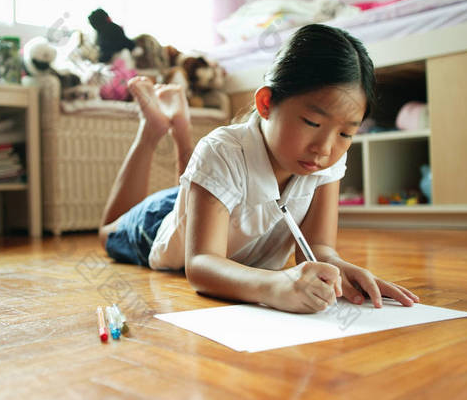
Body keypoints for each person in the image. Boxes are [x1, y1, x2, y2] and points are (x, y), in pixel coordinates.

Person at [98, 24, 420, 313]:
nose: (324, 149)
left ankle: (180, 125)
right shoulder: (220, 151)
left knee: (197, 185)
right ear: (266, 103)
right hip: (166, 225)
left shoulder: (326, 157)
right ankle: (152, 130)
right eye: (311, 122)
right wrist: (274, 286)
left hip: (217, 199)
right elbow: (199, 263)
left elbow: (318, 247)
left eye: (346, 133)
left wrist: (337, 268)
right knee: (107, 233)